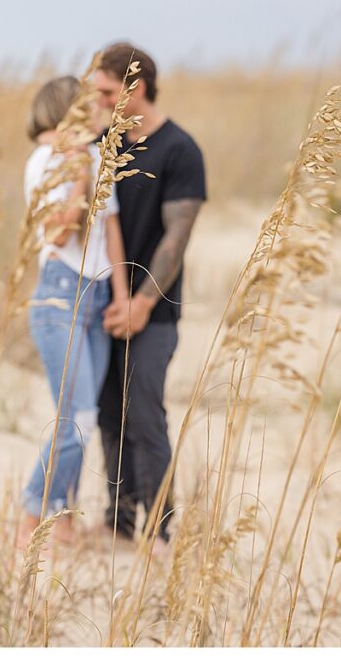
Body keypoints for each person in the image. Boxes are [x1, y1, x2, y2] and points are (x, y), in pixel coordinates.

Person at [92, 42, 207, 553]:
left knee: (143, 410)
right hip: (104, 304)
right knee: (106, 410)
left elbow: (175, 239)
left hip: (155, 313)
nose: (98, 101)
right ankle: (119, 522)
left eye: (107, 91)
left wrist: (140, 303)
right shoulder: (104, 143)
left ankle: (159, 532)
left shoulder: (181, 149)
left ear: (135, 89)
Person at [16, 76, 129, 550]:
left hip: (101, 294)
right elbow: (60, 234)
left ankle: (61, 520)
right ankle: (30, 512)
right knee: (77, 416)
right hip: (60, 295)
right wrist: (80, 167)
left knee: (82, 417)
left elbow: (111, 232)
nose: (98, 113)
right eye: (86, 107)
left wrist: (122, 295)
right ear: (68, 111)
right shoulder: (46, 161)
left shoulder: (100, 157)